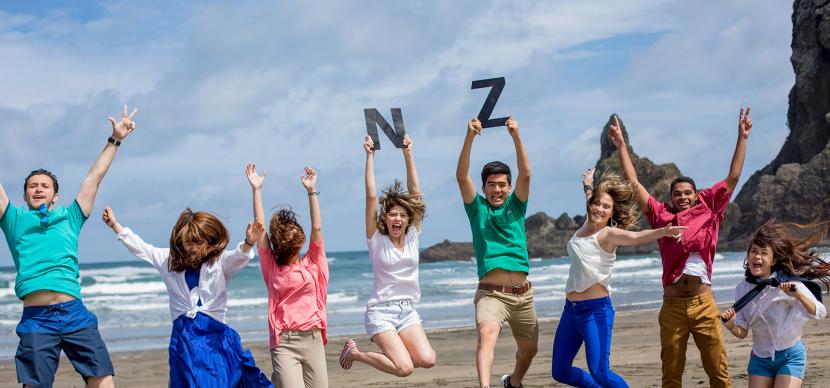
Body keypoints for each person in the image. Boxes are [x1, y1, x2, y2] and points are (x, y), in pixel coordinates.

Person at [610, 108, 753, 387]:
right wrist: (622, 146)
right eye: (677, 194)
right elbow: (634, 183)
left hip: (703, 304)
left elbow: (733, 177)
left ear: (696, 195)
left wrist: (742, 137)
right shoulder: (661, 215)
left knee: (718, 373)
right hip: (672, 306)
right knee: (671, 376)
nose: (683, 197)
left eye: (688, 193)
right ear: (671, 199)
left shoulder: (710, 208)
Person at [0, 105, 138, 388]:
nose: (38, 189)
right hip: (36, 319)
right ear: (24, 194)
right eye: (32, 186)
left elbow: (93, 178)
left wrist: (115, 140)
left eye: (45, 186)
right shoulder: (13, 220)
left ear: (55, 195)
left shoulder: (70, 217)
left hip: (74, 313)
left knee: (103, 380)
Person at [102, 207, 272, 387]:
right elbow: (141, 247)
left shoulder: (220, 262)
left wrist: (248, 242)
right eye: (189, 243)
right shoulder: (167, 260)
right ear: (181, 241)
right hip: (183, 340)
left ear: (209, 241)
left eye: (199, 243)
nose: (193, 248)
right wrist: (115, 225)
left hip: (214, 339)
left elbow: (239, 257)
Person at [552, 169, 687, 387]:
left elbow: (637, 237)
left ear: (612, 212)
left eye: (606, 207)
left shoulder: (608, 234)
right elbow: (592, 199)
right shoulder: (588, 220)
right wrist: (587, 185)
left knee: (600, 371)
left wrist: (664, 232)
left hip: (596, 310)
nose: (599, 208)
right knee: (560, 371)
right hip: (571, 310)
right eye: (597, 203)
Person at [339, 134, 436, 376]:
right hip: (381, 311)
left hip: (407, 310)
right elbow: (371, 196)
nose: (398, 219)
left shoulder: (413, 235)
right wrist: (369, 156)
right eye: (393, 214)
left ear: (408, 219)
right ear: (385, 217)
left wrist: (408, 154)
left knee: (428, 359)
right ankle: (355, 353)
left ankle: (399, 351)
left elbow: (416, 196)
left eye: (403, 215)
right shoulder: (376, 239)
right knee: (404, 369)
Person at [456, 117, 536, 388]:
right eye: (491, 184)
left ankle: (513, 383)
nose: (497, 189)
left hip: (523, 296)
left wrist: (516, 136)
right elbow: (461, 176)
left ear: (509, 187)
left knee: (529, 350)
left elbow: (526, 173)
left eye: (502, 184)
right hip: (491, 293)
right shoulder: (477, 210)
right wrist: (469, 137)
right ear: (484, 188)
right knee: (487, 334)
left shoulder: (516, 207)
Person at [246, 164, 329, 388]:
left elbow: (318, 228)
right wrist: (256, 190)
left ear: (301, 240)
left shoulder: (313, 262)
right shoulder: (271, 266)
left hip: (313, 339)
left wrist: (312, 191)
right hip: (284, 341)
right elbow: (260, 228)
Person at [720, 220, 829, 388]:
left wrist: (799, 295)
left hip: (790, 356)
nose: (757, 256)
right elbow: (742, 332)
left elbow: (820, 313)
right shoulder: (742, 288)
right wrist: (730, 325)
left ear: (773, 260)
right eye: (754, 251)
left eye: (764, 253)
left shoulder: (789, 284)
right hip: (760, 358)